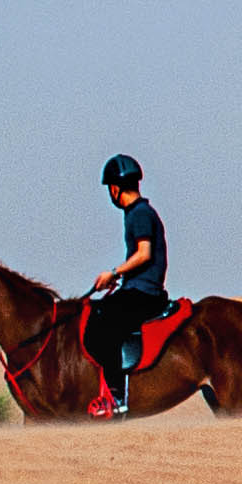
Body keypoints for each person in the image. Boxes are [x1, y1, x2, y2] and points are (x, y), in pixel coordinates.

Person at [87, 153, 172, 419]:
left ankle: (116, 398)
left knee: (104, 325)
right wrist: (118, 279)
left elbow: (144, 254)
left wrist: (113, 272)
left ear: (115, 189)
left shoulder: (139, 214)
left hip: (144, 293)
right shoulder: (137, 213)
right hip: (136, 287)